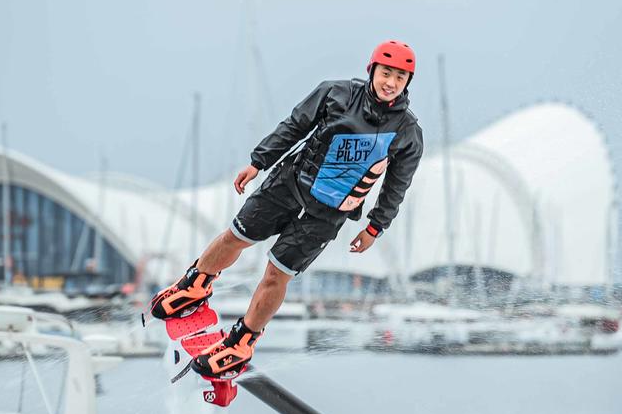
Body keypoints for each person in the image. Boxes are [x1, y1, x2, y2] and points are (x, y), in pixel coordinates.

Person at [150, 40, 424, 378]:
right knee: (236, 236)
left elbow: (396, 186)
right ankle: (195, 284)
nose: (391, 83)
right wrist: (258, 161)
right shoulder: (336, 93)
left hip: (327, 215)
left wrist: (374, 227)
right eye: (386, 73)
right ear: (372, 70)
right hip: (290, 184)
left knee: (276, 274)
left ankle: (241, 342)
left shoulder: (408, 133)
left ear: (407, 82)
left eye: (400, 77)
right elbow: (294, 126)